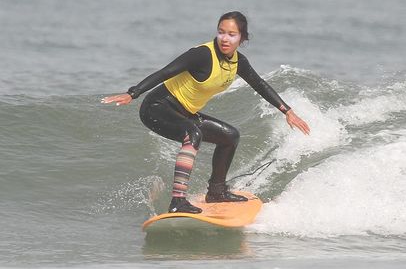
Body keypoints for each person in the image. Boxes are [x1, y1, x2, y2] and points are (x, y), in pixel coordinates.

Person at [102, 11, 310, 214]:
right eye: (221, 32)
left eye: (232, 34)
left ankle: (216, 192)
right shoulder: (202, 54)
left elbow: (260, 84)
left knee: (230, 136)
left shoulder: (238, 62)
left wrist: (287, 111)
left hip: (185, 112)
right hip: (157, 107)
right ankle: (177, 201)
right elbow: (167, 71)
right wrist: (133, 93)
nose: (225, 38)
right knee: (193, 133)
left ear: (242, 38)